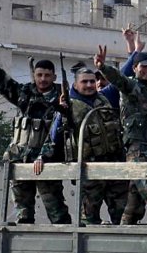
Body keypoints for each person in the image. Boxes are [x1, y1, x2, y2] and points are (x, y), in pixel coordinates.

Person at [0, 46, 70, 224]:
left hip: (47, 161)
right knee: (23, 214)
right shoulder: (26, 93)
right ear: (34, 75)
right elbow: (1, 81)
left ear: (54, 77)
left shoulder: (63, 97)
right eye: (39, 75)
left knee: (57, 212)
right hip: (21, 159)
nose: (43, 79)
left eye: (47, 75)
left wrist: (64, 108)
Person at [36, 68, 127, 225]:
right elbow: (54, 136)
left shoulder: (104, 99)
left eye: (92, 81)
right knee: (89, 220)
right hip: (88, 172)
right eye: (84, 81)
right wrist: (42, 156)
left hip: (114, 168)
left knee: (124, 216)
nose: (90, 85)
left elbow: (121, 77)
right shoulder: (68, 108)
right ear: (76, 85)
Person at [95, 45, 147, 224]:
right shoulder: (131, 86)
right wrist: (102, 67)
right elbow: (118, 79)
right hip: (137, 149)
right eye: (144, 66)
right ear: (135, 68)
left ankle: (125, 228)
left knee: (135, 201)